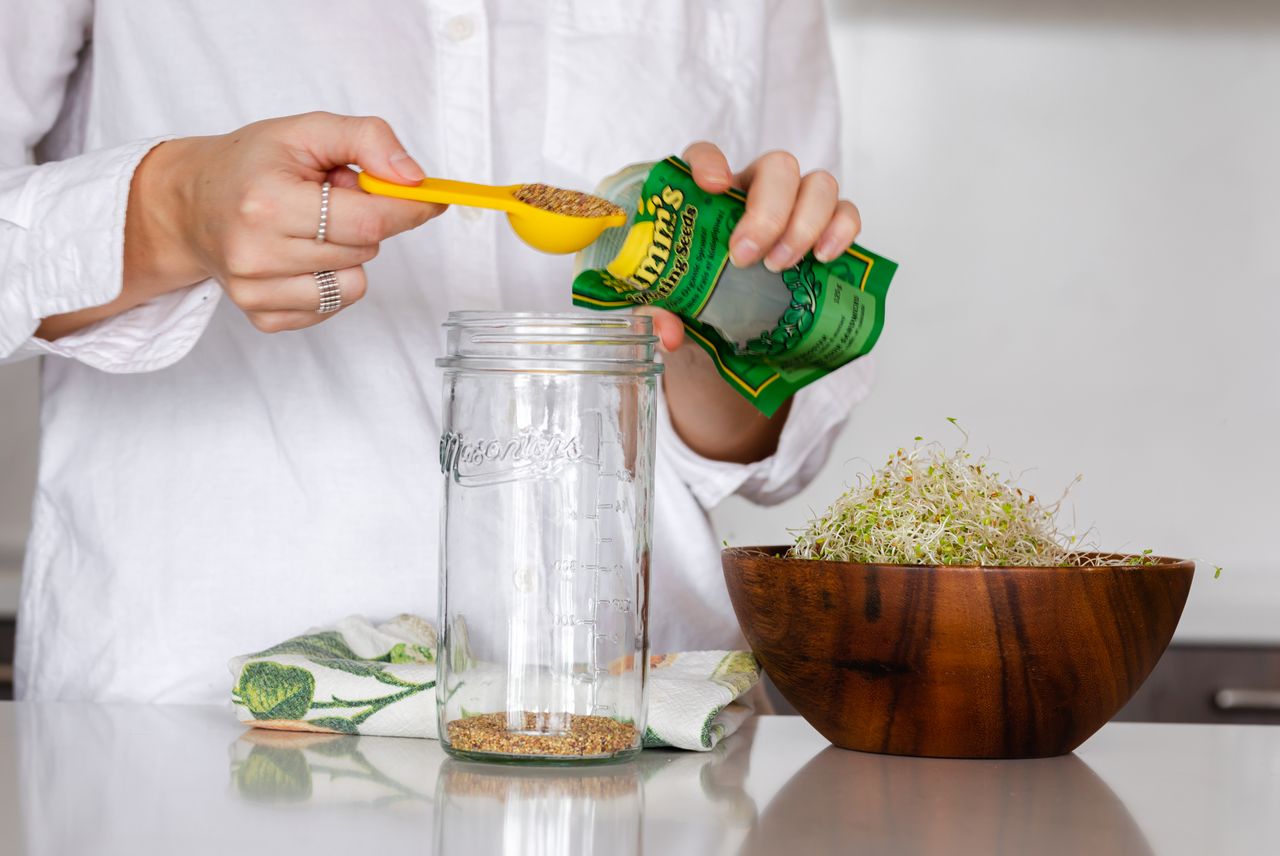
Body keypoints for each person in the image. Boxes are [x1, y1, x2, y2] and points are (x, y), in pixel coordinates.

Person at [0, 1, 872, 702]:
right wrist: (169, 211)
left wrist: (720, 310)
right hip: (197, 716)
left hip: (624, 720)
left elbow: (769, 453)